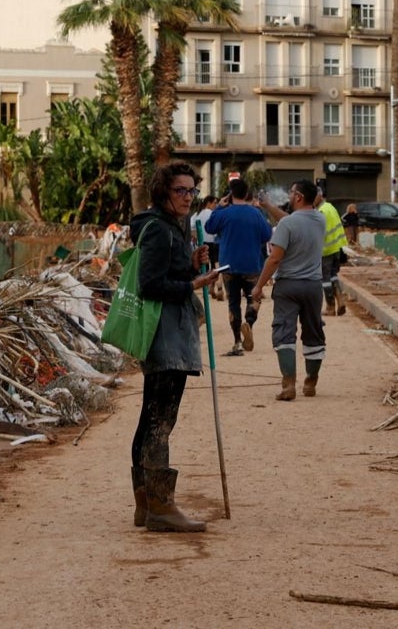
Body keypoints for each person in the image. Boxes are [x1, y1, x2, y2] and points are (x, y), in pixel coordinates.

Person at [128, 162, 219, 533]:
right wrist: (194, 285)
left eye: (191, 191)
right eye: (180, 191)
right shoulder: (157, 229)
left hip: (172, 333)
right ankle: (161, 508)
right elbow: (150, 285)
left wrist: (189, 263)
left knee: (152, 417)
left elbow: (169, 272)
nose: (187, 198)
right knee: (159, 421)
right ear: (163, 192)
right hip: (164, 336)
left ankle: (146, 505)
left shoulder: (174, 227)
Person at [251, 180, 326, 401]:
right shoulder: (319, 220)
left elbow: (274, 259)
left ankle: (288, 385)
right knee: (313, 332)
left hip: (288, 286)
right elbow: (291, 221)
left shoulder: (287, 225)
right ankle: (311, 381)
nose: (289, 195)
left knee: (284, 333)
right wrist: (267, 206)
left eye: (292, 192)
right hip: (313, 286)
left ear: (299, 197)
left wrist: (258, 286)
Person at [205, 178, 272, 356]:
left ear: (230, 194)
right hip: (251, 264)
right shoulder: (255, 213)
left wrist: (219, 206)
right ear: (247, 193)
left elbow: (209, 227)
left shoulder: (224, 213)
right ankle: (248, 323)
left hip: (228, 265)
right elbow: (266, 235)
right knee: (254, 299)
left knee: (233, 302)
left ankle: (237, 342)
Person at [315, 189, 348, 316]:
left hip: (326, 250)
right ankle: (340, 300)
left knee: (325, 279)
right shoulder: (330, 207)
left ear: (319, 196)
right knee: (333, 275)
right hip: (336, 248)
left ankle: (330, 306)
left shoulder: (321, 211)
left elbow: (319, 233)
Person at [192, 196, 224, 300]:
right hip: (214, 242)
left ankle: (208, 286)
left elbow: (192, 227)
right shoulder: (213, 214)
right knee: (217, 265)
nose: (215, 205)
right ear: (208, 203)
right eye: (214, 203)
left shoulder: (197, 215)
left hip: (202, 243)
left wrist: (196, 237)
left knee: (204, 265)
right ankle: (218, 286)